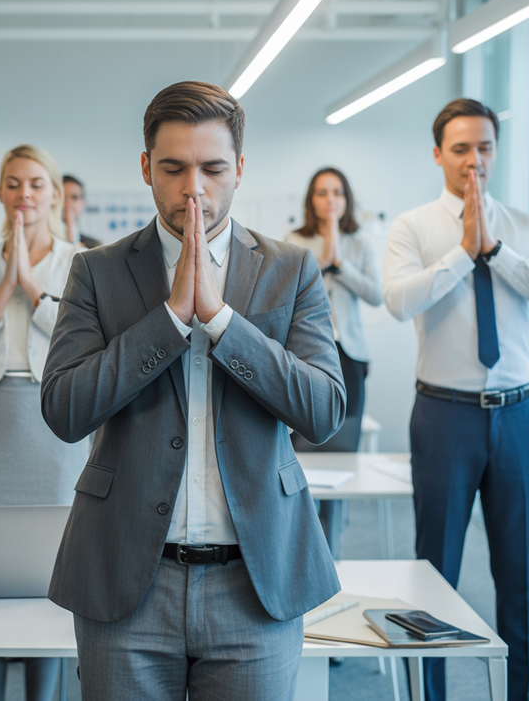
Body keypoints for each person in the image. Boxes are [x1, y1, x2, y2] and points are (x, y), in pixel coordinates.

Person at [40, 81, 344, 701]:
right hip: (125, 579)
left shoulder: (291, 268)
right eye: (174, 168)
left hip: (256, 582)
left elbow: (323, 410)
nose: (193, 190)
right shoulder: (96, 271)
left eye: (212, 168)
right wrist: (171, 320)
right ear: (147, 167)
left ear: (239, 169)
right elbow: (66, 410)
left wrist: (223, 324)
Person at [383, 98, 529, 701]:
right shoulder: (413, 227)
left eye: (485, 147)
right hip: (445, 416)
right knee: (434, 577)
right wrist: (463, 252)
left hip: (518, 416)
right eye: (461, 148)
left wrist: (495, 250)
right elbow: (399, 300)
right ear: (439, 154)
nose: (474, 161)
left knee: (517, 582)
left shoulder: (527, 225)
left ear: (496, 151)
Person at [0, 144, 88, 701]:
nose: (24, 194)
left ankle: (41, 694)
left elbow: (84, 343)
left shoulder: (80, 262)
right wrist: (5, 282)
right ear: (1, 193)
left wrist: (32, 285)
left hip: (54, 420)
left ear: (53, 193)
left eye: (35, 183)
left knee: (48, 568)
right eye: (13, 183)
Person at [285, 167, 382, 559]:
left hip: (352, 357)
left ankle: (334, 549)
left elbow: (376, 295)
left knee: (343, 458)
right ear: (312, 199)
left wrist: (340, 263)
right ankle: (303, 550)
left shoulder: (361, 242)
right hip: (306, 356)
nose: (330, 200)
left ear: (347, 199)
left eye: (337, 192)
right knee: (303, 455)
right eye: (323, 192)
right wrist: (323, 262)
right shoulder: (294, 241)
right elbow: (286, 295)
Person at [62, 174, 102, 248]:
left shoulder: (95, 246)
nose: (68, 204)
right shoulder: (42, 242)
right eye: (63, 197)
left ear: (84, 203)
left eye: (75, 197)